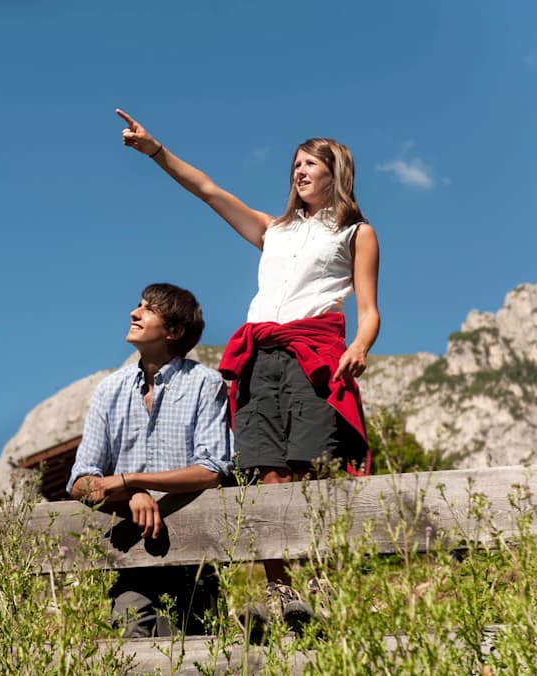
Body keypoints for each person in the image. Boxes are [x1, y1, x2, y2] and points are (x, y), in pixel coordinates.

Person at [116, 109, 380, 635]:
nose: (299, 171)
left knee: (308, 467)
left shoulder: (357, 234)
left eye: (310, 163)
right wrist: (156, 150)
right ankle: (282, 589)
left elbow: (370, 309)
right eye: (296, 164)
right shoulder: (272, 230)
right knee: (265, 470)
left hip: (312, 353)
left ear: (336, 171)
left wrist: (360, 346)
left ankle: (320, 580)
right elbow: (209, 190)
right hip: (259, 358)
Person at [67, 282, 232, 638]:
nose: (134, 312)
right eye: (138, 305)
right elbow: (80, 481)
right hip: (131, 556)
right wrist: (133, 493)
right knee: (131, 647)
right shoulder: (109, 390)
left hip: (194, 553)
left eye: (148, 309)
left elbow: (211, 470)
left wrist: (132, 480)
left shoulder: (206, 384)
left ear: (174, 331)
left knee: (194, 653)